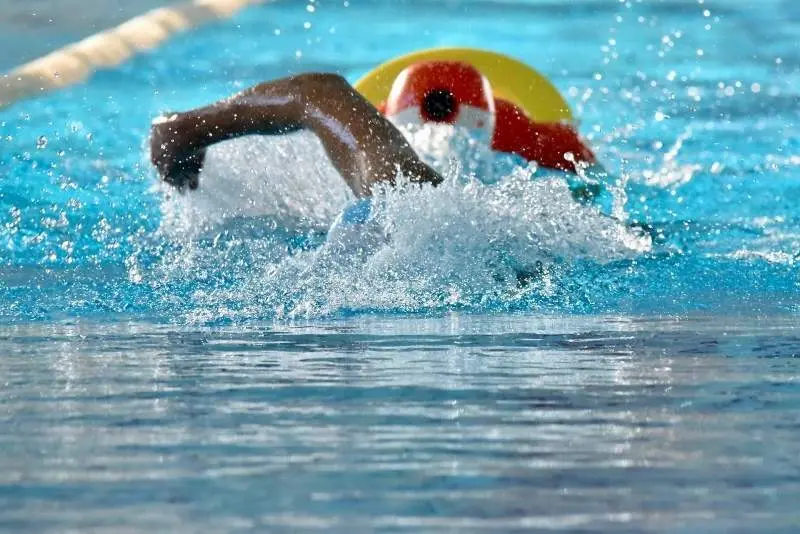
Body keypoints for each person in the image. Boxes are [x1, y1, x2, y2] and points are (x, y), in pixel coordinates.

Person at [149, 60, 597, 200]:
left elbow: (312, 92)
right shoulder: (504, 209)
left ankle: (179, 129)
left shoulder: (398, 178)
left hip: (393, 217)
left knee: (320, 92)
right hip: (426, 230)